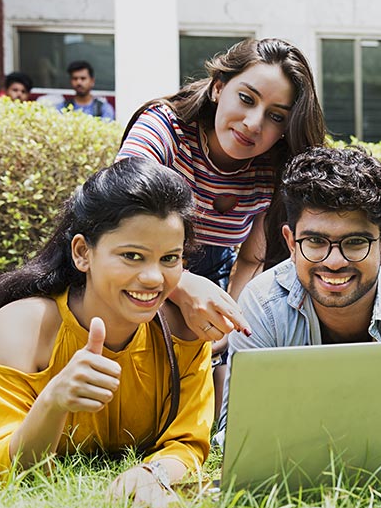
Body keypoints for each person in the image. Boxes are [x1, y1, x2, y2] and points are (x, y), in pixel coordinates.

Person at [0, 158, 213, 508]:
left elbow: (189, 441)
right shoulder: (24, 326)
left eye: (170, 258)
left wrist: (153, 472)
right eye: (132, 256)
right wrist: (53, 402)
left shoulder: (183, 331)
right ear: (83, 252)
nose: (154, 279)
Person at [117, 37, 327, 416]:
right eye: (246, 99)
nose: (253, 124)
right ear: (218, 88)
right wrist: (179, 285)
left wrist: (232, 319)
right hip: (133, 268)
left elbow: (251, 259)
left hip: (212, 277)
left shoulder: (273, 167)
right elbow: (118, 216)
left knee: (229, 405)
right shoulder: (164, 128)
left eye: (276, 116)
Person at [214, 146, 381, 443]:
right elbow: (240, 431)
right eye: (315, 241)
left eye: (355, 242)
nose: (334, 262)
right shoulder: (262, 305)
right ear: (291, 243)